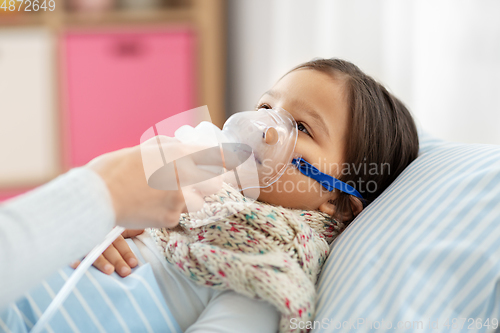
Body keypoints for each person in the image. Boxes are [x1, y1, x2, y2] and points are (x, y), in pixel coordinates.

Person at [5, 58, 420, 332]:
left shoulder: (269, 258)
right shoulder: (190, 192)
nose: (265, 127)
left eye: (303, 128)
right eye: (265, 106)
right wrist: (96, 228)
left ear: (338, 200)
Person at [0, 137, 223, 310]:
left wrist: (102, 198)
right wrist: (91, 219)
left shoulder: (246, 271)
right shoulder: (160, 216)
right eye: (259, 108)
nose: (257, 130)